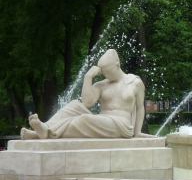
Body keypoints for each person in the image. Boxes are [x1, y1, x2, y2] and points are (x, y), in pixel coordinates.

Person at [20, 49, 149, 139]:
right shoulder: (102, 85)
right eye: (103, 72)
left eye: (108, 71)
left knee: (85, 120)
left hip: (121, 124)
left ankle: (44, 133)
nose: (106, 75)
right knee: (74, 105)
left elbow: (140, 107)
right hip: (102, 120)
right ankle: (44, 129)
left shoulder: (134, 82)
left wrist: (137, 133)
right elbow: (87, 103)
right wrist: (88, 77)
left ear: (117, 64)